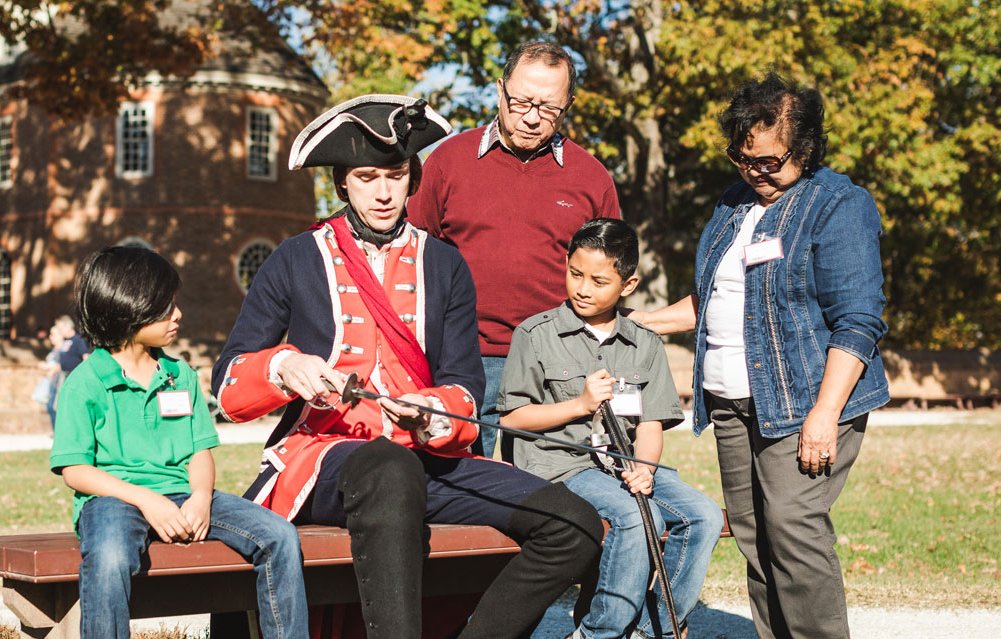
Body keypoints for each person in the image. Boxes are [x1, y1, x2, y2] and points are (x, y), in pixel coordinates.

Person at [211, 95, 603, 639]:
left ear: (411, 178)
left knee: (573, 524)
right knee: (389, 471)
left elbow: (465, 386)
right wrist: (284, 365)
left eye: (395, 175)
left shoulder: (444, 264)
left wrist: (433, 411)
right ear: (343, 182)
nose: (382, 191)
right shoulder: (295, 257)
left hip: (422, 457)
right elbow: (228, 389)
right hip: (323, 460)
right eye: (367, 176)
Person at [630, 73, 890, 639]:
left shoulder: (838, 205)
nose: (754, 171)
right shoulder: (734, 203)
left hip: (802, 403)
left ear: (807, 147)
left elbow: (859, 321)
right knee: (753, 533)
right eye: (743, 158)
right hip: (730, 402)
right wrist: (642, 320)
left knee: (794, 528)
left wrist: (824, 414)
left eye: (769, 161)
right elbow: (716, 297)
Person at [49, 247, 308, 639]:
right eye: (165, 306)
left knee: (280, 537)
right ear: (129, 307)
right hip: (114, 501)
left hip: (186, 497)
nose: (178, 314)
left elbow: (198, 450)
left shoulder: (179, 375)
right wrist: (145, 499)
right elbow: (76, 470)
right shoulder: (85, 382)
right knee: (109, 557)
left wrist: (201, 497)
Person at [498, 219, 722, 639]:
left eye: (599, 281)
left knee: (704, 516)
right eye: (575, 274)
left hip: (623, 464)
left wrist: (646, 468)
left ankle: (654, 627)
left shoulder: (644, 342)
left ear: (628, 284)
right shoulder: (536, 334)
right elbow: (512, 418)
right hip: (563, 466)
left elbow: (652, 424)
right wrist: (579, 405)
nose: (583, 288)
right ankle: (602, 632)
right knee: (638, 517)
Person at [408, 41, 621, 457]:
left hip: (557, 364)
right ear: (499, 90)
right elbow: (413, 256)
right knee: (467, 492)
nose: (530, 117)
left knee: (551, 498)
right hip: (464, 358)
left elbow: (608, 276)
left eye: (548, 107)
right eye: (521, 101)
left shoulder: (591, 177)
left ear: (568, 106)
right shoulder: (447, 161)